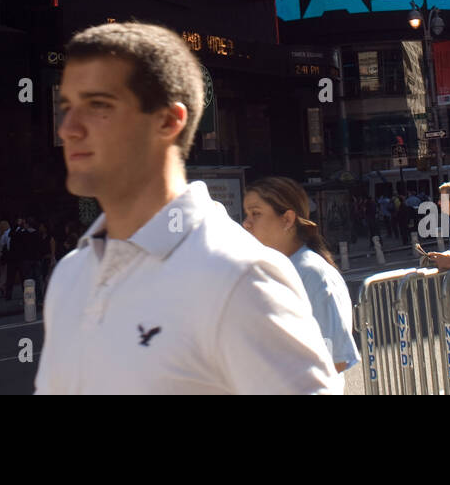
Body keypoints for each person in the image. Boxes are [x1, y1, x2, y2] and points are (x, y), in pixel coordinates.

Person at [35, 22, 338, 394]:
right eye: (66, 106)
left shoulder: (240, 277)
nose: (68, 128)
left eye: (98, 105)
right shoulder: (71, 274)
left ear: (167, 120)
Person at [242, 177, 358, 374]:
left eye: (256, 214)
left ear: (287, 219)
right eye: (247, 214)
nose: (246, 223)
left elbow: (334, 359)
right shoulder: (272, 269)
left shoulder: (313, 274)